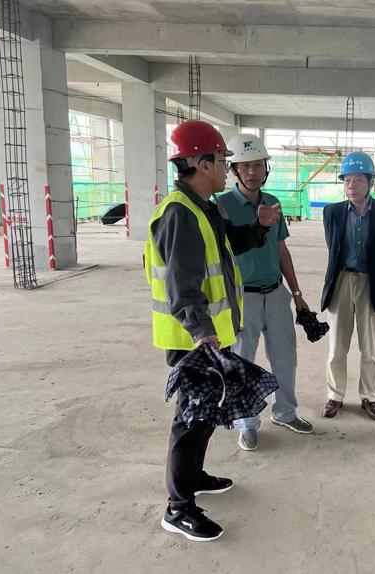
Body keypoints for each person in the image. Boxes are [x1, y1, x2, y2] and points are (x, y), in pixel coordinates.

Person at [145, 120, 280, 541]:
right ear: (203, 164)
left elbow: (229, 246)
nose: (227, 167)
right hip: (193, 339)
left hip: (210, 335)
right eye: (222, 159)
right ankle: (178, 508)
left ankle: (194, 477)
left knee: (204, 414)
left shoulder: (205, 208)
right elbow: (181, 286)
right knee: (190, 418)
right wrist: (203, 333)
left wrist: (260, 227)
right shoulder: (179, 214)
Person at [215, 133, 313, 451]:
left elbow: (281, 250)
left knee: (285, 357)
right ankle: (247, 423)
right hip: (242, 297)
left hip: (276, 293)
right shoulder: (222, 206)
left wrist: (296, 293)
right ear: (234, 170)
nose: (252, 172)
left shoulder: (272, 202)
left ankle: (285, 412)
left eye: (258, 165)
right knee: (242, 361)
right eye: (245, 166)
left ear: (265, 168)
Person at [321, 151, 375, 420]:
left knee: (370, 348)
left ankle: (369, 396)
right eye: (347, 180)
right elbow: (333, 247)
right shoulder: (332, 212)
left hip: (372, 281)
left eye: (357, 180)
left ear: (371, 182)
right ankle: (335, 395)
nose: (351, 185)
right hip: (341, 280)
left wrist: (372, 269)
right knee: (337, 347)